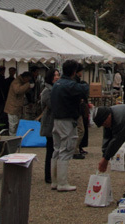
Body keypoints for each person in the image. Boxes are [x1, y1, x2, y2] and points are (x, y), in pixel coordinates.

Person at [50, 59, 89, 192]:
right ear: (74, 72)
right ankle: (62, 182)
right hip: (67, 120)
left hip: (56, 120)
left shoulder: (57, 84)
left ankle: (54, 181)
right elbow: (85, 90)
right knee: (66, 150)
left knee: (56, 150)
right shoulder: (70, 85)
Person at [39, 69, 59, 184]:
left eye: (57, 75)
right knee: (50, 150)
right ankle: (48, 175)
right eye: (54, 75)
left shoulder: (55, 89)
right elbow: (52, 105)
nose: (56, 77)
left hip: (55, 123)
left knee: (55, 149)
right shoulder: (47, 91)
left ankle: (54, 173)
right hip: (49, 123)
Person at [4, 70, 33, 136]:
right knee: (13, 126)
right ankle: (12, 139)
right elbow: (18, 90)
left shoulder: (21, 82)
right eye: (28, 79)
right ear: (25, 77)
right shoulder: (16, 82)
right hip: (12, 108)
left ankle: (16, 139)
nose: (28, 81)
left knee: (17, 125)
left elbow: (23, 91)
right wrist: (27, 84)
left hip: (17, 108)